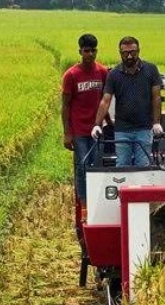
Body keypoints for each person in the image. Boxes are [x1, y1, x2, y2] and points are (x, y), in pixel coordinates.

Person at [91, 36, 163, 167]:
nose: (129, 56)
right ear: (120, 53)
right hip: (122, 129)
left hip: (144, 128)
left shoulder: (151, 70)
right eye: (125, 53)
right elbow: (106, 100)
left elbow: (156, 97)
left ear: (138, 51)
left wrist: (157, 122)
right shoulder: (114, 74)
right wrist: (97, 124)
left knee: (143, 164)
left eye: (133, 52)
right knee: (122, 164)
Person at [61, 33, 109, 205]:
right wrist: (67, 133)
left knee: (96, 167)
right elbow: (65, 105)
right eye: (86, 51)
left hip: (96, 128)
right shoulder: (71, 75)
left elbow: (104, 100)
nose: (90, 54)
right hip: (79, 130)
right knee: (82, 167)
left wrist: (109, 123)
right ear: (80, 51)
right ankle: (84, 203)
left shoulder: (102, 72)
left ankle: (97, 201)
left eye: (93, 51)